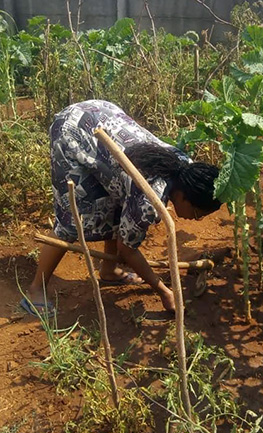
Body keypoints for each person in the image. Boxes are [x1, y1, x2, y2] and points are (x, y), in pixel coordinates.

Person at [21, 99, 221, 316]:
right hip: (73, 131)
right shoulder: (148, 199)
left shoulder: (187, 166)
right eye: (197, 213)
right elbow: (127, 249)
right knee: (71, 222)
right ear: (182, 196)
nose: (196, 219)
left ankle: (109, 271)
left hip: (101, 116)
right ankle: (35, 290)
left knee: (117, 207)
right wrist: (163, 291)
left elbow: (126, 221)